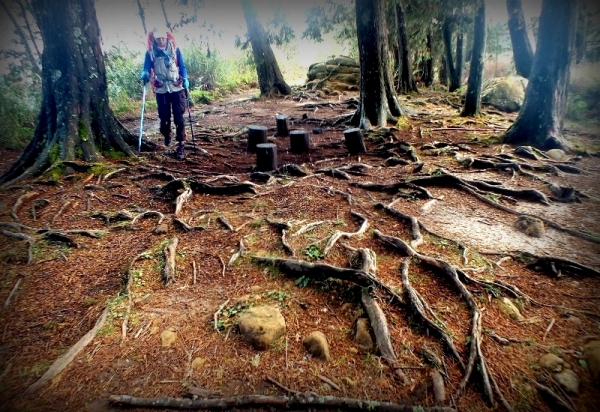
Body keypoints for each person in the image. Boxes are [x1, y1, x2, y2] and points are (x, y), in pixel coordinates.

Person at [140, 28, 189, 159]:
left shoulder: (175, 50)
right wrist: (145, 73)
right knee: (164, 117)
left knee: (179, 117)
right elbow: (146, 67)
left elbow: (182, 67)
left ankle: (181, 145)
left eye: (163, 38)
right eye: (158, 39)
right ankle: (166, 134)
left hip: (176, 87)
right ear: (154, 39)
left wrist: (185, 78)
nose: (161, 41)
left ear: (167, 37)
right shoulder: (150, 53)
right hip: (161, 88)